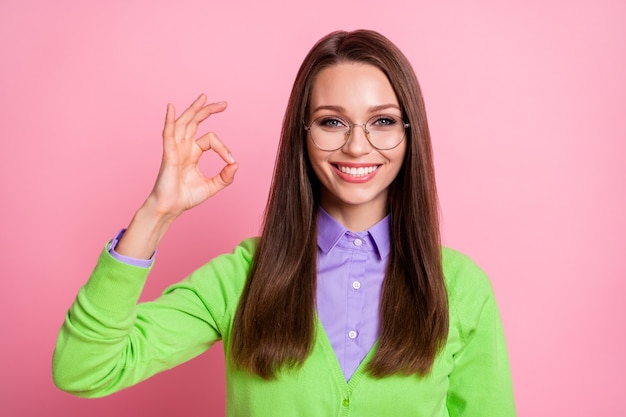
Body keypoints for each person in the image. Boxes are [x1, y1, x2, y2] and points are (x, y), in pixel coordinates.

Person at [53, 29, 516, 416]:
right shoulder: (242, 278)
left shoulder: (461, 287)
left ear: (409, 133)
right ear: (304, 133)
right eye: (332, 122)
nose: (357, 146)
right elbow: (84, 367)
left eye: (383, 121)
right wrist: (157, 213)